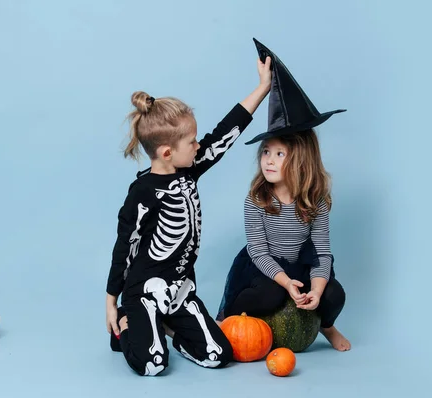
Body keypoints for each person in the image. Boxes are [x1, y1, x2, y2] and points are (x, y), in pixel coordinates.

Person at [105, 54, 273, 376]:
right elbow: (125, 246)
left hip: (181, 287)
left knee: (218, 354)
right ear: (168, 153)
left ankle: (168, 327)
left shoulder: (189, 170)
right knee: (153, 364)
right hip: (144, 291)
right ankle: (126, 328)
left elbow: (225, 134)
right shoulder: (142, 192)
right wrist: (112, 302)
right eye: (192, 141)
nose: (199, 145)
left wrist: (262, 88)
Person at [216, 38, 351, 352]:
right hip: (265, 266)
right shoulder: (257, 200)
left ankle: (326, 326)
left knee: (334, 294)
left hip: (301, 264)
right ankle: (231, 321)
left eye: (279, 154)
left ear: (301, 160)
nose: (269, 160)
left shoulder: (315, 201)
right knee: (270, 296)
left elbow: (322, 254)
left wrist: (316, 289)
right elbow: (259, 253)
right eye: (266, 152)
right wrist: (286, 282)